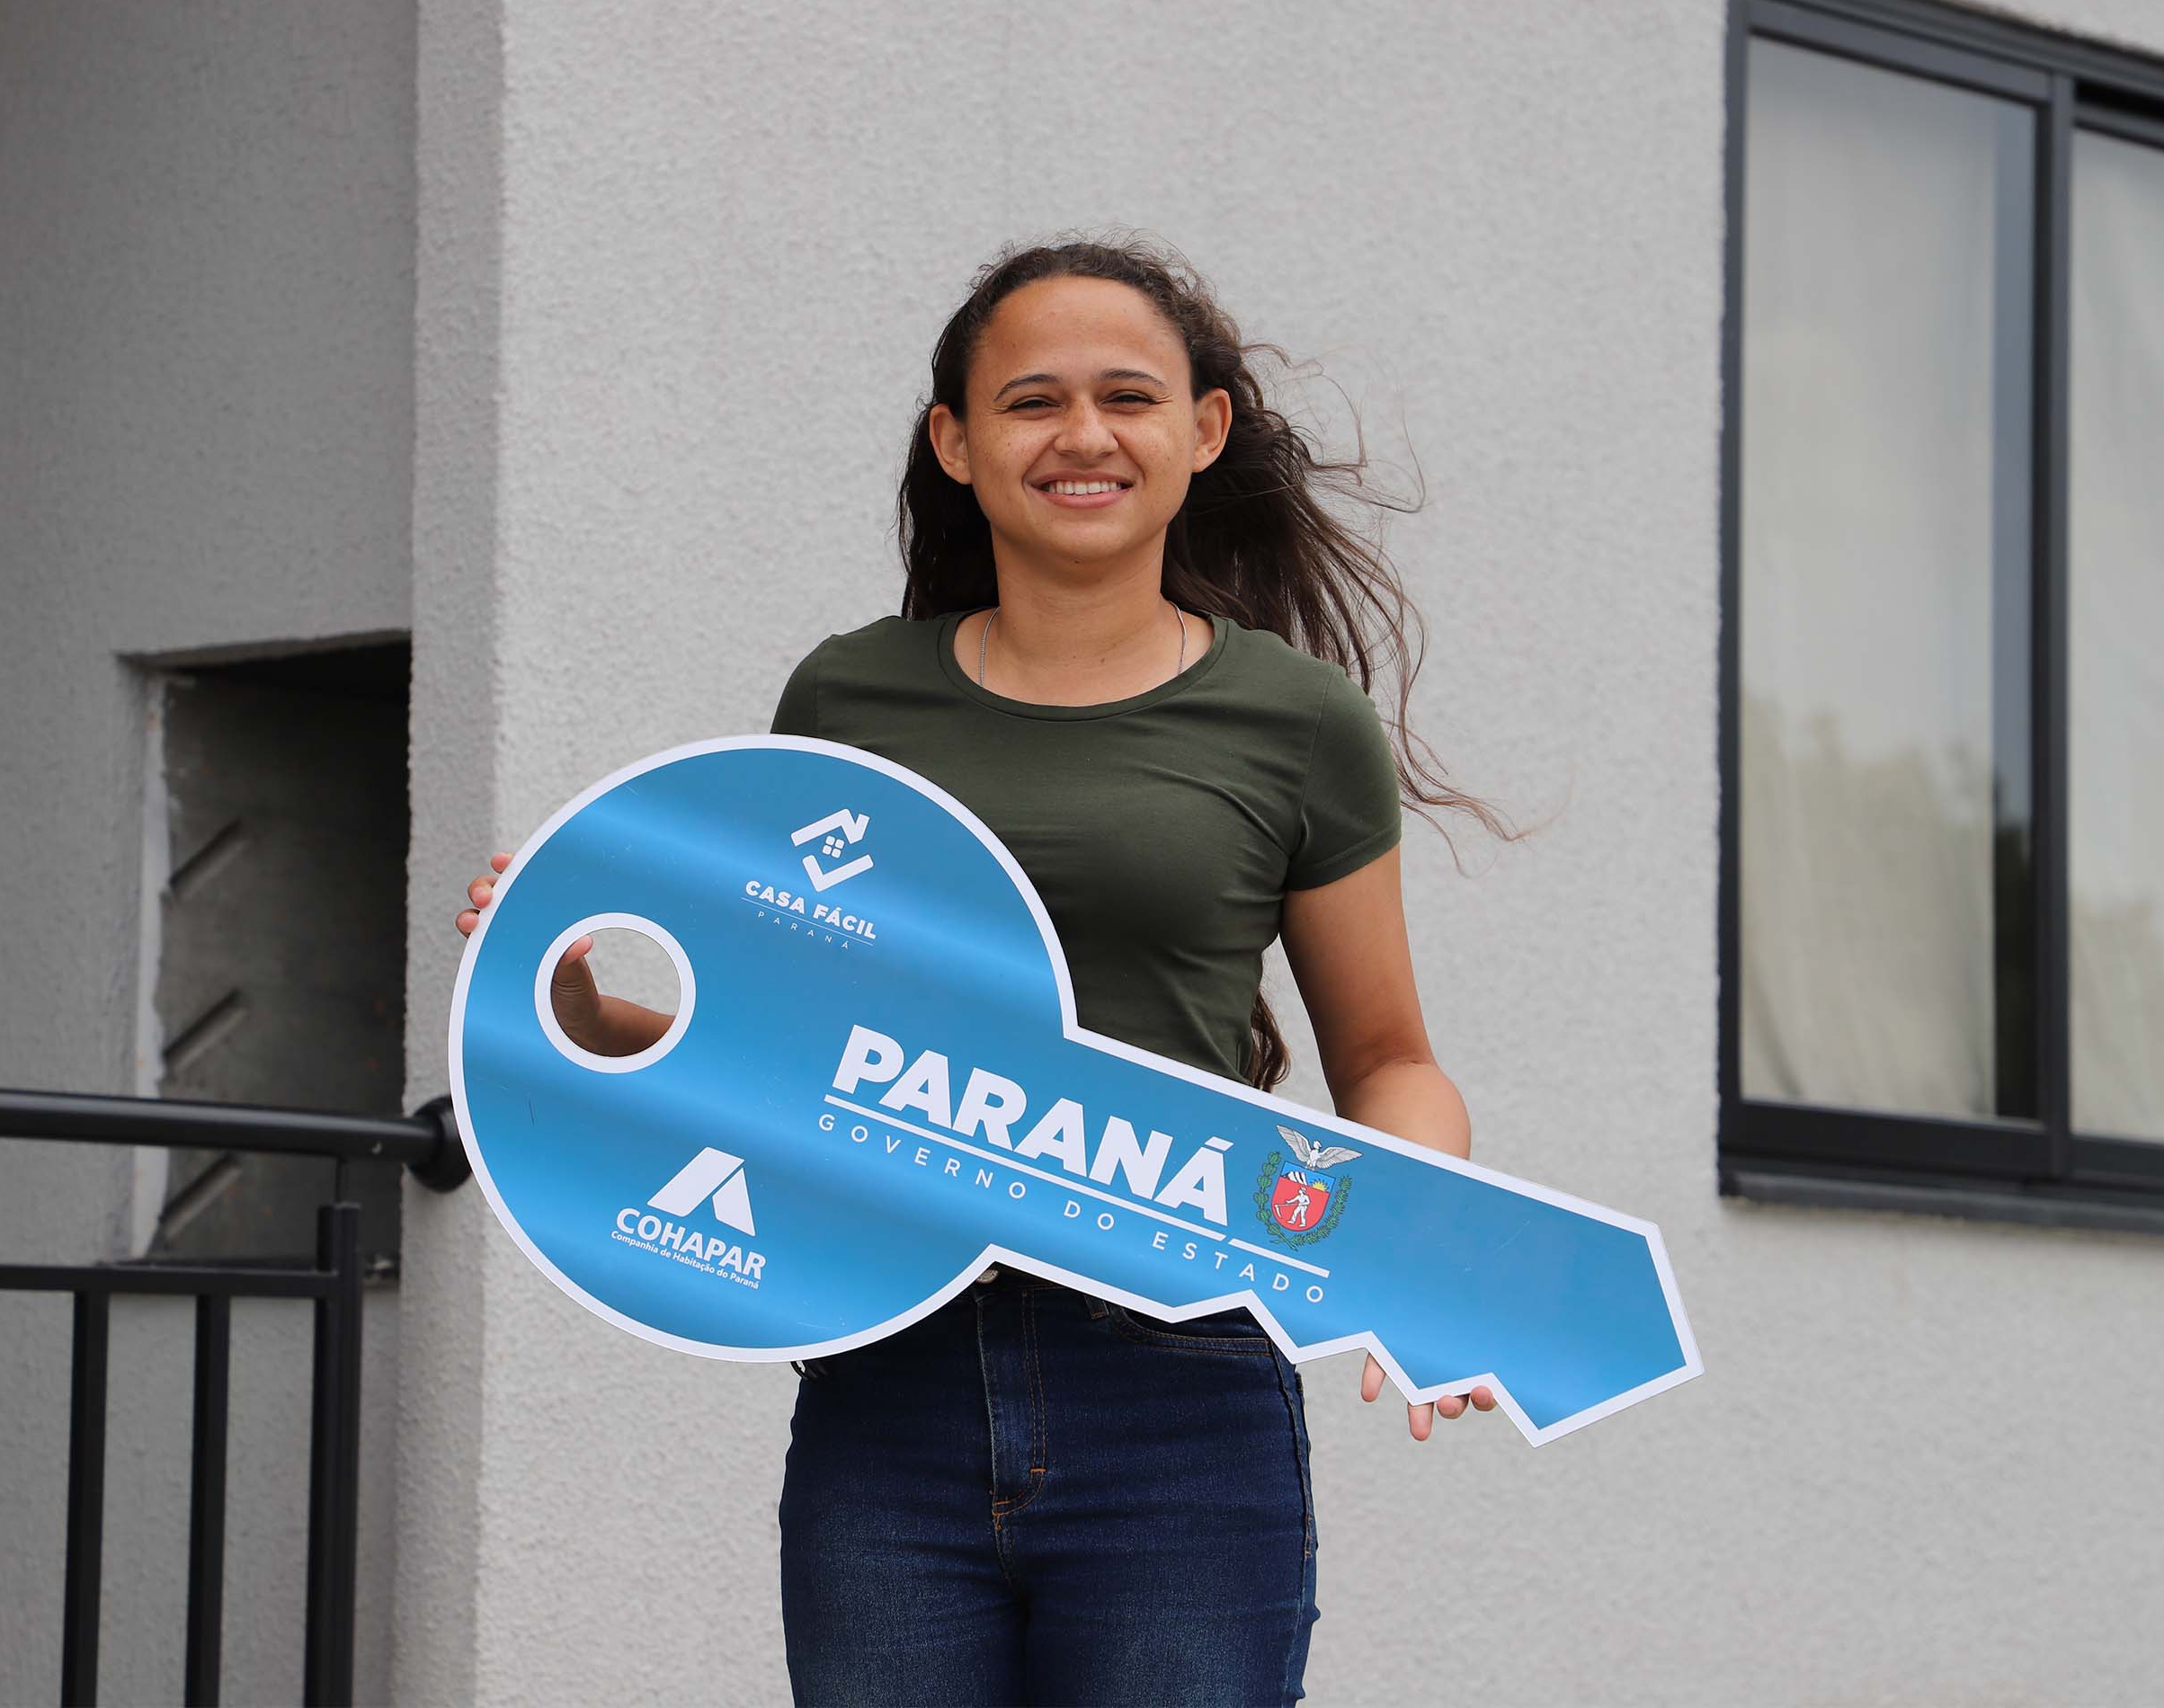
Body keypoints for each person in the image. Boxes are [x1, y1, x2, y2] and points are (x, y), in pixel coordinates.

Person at [453, 237, 1516, 1706]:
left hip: (1178, 1390)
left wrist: (1421, 1241)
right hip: (886, 1383)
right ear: (955, 442)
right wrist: (568, 1000)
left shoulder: (1298, 721)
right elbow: (778, 1064)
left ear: (1204, 429)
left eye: (1128, 396)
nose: (1083, 435)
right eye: (1032, 401)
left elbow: (1390, 1059)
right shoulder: (848, 698)